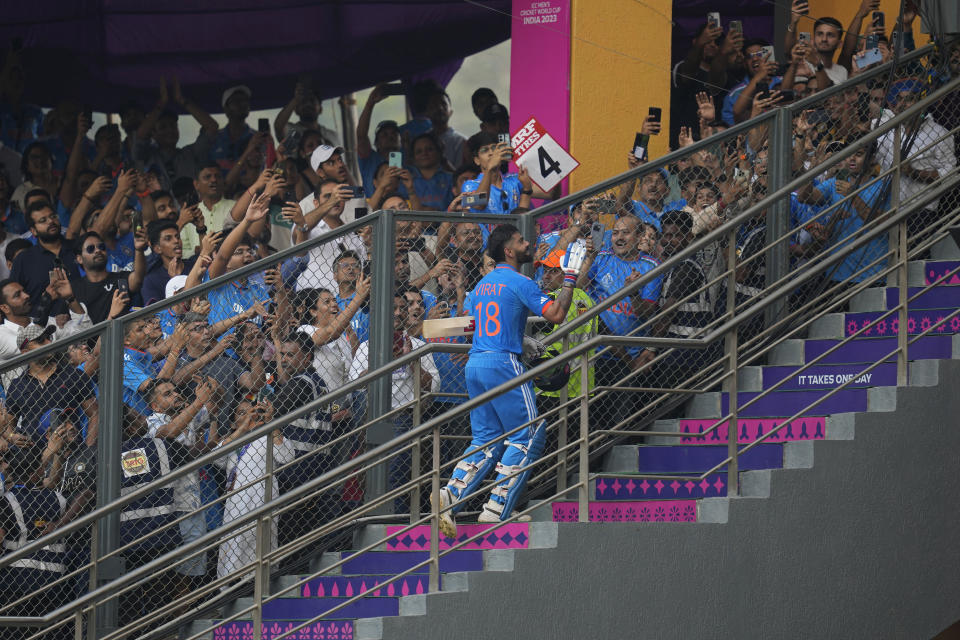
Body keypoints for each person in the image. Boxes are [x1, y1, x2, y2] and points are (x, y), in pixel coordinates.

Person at [433, 224, 583, 535]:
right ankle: (496, 510)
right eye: (521, 240)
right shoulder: (521, 281)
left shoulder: (484, 284)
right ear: (509, 251)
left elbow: (479, 323)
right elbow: (556, 314)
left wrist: (518, 336)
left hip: (477, 363)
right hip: (504, 363)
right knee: (528, 435)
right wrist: (570, 277)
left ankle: (450, 494)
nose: (528, 243)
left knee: (485, 438)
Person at [70, 230, 146, 323]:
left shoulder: (120, 278)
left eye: (101, 247)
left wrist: (139, 250)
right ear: (79, 259)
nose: (98, 250)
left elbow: (137, 280)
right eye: (91, 248)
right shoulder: (74, 289)